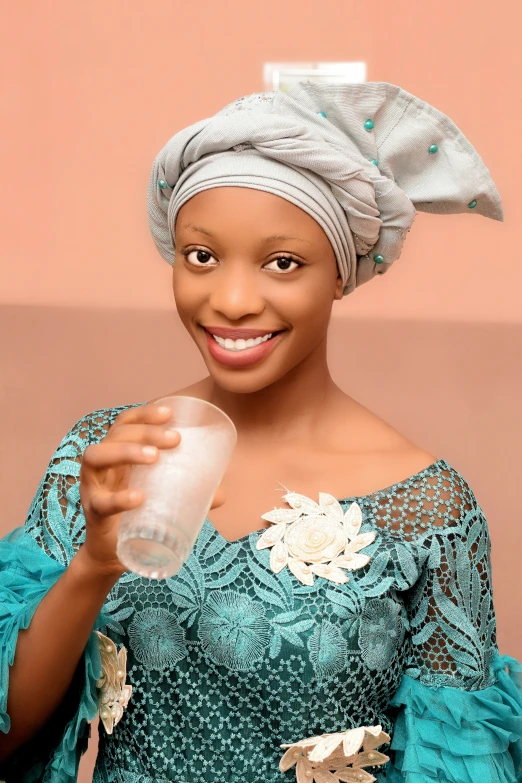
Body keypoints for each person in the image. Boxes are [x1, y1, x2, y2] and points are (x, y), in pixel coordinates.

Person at [0, 81, 521, 783]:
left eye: (283, 263)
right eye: (202, 256)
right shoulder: (107, 456)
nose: (233, 301)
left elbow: (462, 765)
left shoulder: (429, 510)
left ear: (341, 272)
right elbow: (6, 733)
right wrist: (95, 562)